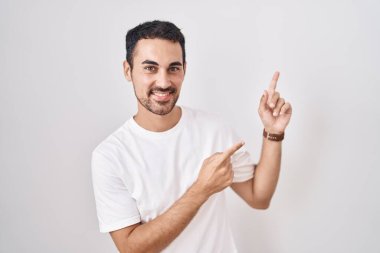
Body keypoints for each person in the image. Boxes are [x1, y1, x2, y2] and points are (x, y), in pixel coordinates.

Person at [91, 20, 292, 253]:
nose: (164, 82)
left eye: (173, 68)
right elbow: (131, 248)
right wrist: (202, 189)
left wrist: (273, 132)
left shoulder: (213, 128)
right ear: (128, 70)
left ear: (184, 70)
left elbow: (259, 197)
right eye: (150, 68)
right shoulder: (110, 156)